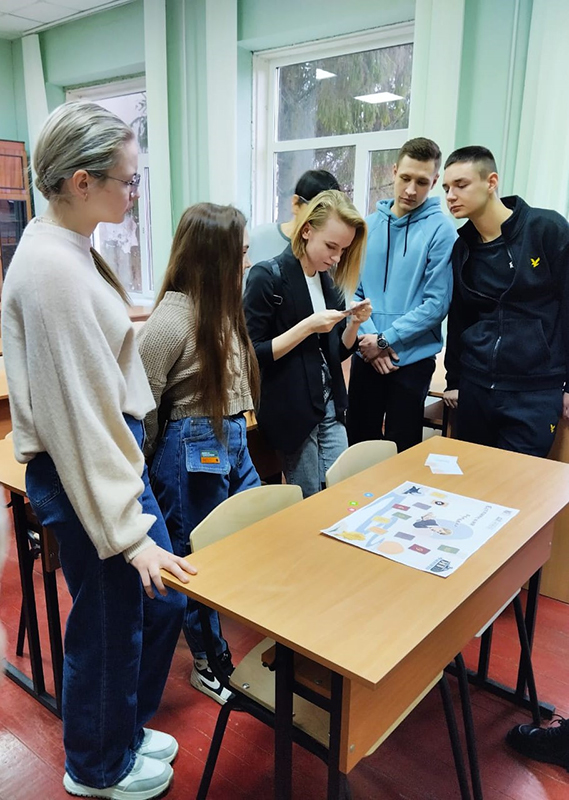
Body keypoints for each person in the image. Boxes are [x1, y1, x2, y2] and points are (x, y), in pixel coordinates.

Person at [1, 101, 195, 800]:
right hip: (86, 469)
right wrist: (127, 531)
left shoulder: (71, 246)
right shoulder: (51, 269)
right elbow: (78, 417)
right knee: (108, 627)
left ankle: (120, 731)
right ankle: (95, 766)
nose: (134, 192)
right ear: (82, 182)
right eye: (128, 179)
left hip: (106, 459)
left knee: (156, 606)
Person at [138, 203, 260, 704]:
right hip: (192, 445)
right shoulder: (170, 320)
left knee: (249, 538)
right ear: (215, 257)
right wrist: (147, 464)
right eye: (241, 253)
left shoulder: (221, 308)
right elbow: (141, 407)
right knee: (195, 560)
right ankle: (208, 662)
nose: (247, 262)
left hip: (229, 437)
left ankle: (220, 648)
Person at [442, 146, 569, 456]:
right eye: (446, 188)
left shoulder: (546, 229)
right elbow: (460, 317)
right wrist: (454, 379)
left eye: (461, 185)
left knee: (519, 482)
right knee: (470, 477)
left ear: (491, 182)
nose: (450, 196)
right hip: (475, 387)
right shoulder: (463, 248)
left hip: (534, 391)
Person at [244, 189, 371, 498]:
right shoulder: (267, 276)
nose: (336, 257)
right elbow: (253, 354)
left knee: (343, 489)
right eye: (331, 246)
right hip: (291, 407)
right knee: (309, 497)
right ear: (306, 231)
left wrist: (354, 323)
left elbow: (336, 352)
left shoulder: (328, 282)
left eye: (343, 249)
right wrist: (308, 326)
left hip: (329, 401)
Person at [346, 137, 456, 452]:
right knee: (358, 444)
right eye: (405, 178)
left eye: (421, 182)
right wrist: (370, 344)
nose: (410, 189)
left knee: (402, 450)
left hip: (412, 360)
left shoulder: (442, 230)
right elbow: (352, 291)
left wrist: (385, 341)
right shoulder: (366, 226)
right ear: (394, 171)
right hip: (366, 354)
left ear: (434, 181)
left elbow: (436, 304)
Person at [247, 169, 340, 268]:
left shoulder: (327, 259)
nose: (322, 221)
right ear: (296, 203)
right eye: (317, 211)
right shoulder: (256, 239)